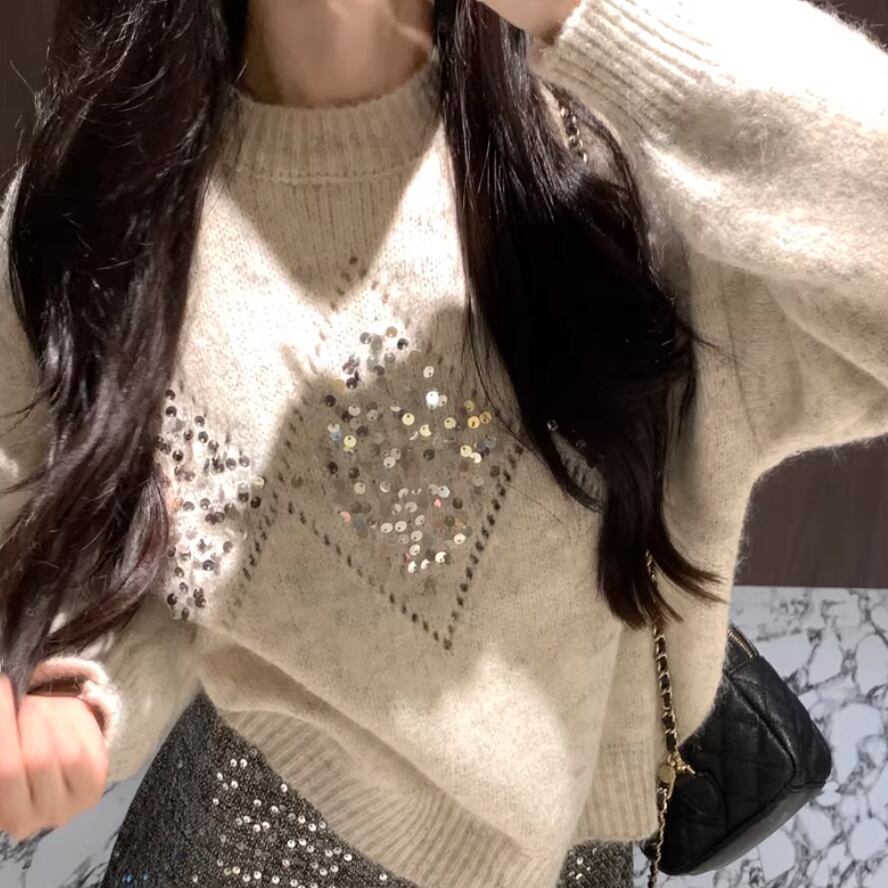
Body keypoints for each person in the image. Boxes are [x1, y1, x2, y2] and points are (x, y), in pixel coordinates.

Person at [0, 0, 886, 886]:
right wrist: (77, 690)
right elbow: (105, 540)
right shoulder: (95, 198)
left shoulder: (618, 165)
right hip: (232, 842)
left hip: (567, 858)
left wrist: (599, 20)